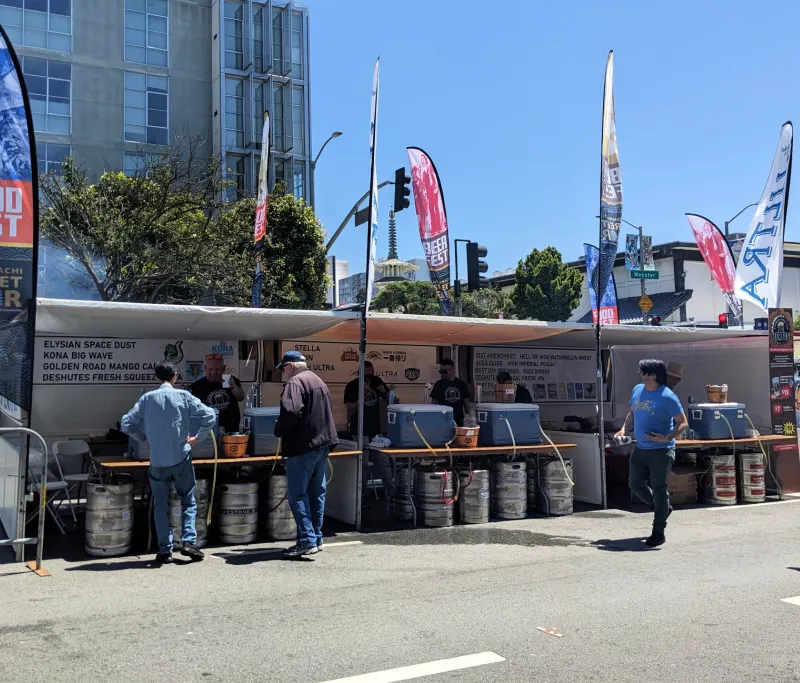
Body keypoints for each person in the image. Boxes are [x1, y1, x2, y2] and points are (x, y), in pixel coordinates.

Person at [121, 362, 216, 564]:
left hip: (157, 461)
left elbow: (126, 423)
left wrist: (143, 438)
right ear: (175, 376)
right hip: (181, 457)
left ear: (158, 377)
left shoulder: (147, 398)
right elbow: (210, 415)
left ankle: (165, 550)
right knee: (188, 500)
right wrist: (198, 436)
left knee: (160, 505)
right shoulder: (184, 396)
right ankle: (189, 542)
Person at [614, 359, 687, 548]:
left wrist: (666, 438)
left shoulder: (667, 396)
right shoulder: (637, 390)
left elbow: (683, 422)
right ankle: (661, 509)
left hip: (661, 451)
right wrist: (624, 429)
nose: (639, 374)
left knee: (659, 489)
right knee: (635, 484)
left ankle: (658, 532)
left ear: (653, 375)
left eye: (642, 371)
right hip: (640, 449)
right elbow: (632, 413)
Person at [274, 350, 339, 558]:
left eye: (283, 369)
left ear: (291, 366)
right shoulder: (318, 380)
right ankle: (316, 538)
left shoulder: (295, 382)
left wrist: (279, 428)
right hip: (322, 445)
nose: (283, 373)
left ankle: (306, 540)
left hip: (302, 446)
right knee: (316, 493)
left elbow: (291, 411)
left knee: (297, 494)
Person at [343, 361, 395, 501]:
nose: (369, 379)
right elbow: (349, 409)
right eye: (366, 376)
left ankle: (391, 494)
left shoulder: (377, 381)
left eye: (371, 375)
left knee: (384, 461)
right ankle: (362, 495)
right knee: (363, 463)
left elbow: (391, 403)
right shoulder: (352, 386)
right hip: (360, 430)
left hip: (375, 429)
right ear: (359, 374)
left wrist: (385, 393)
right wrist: (363, 397)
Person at [190, 354, 246, 434]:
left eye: (217, 369)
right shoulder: (197, 386)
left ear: (223, 369)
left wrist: (233, 387)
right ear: (205, 368)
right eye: (210, 369)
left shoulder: (231, 380)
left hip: (231, 429)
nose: (213, 372)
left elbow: (241, 397)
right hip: (209, 430)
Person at [430, 359, 471, 426]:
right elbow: (433, 404)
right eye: (441, 372)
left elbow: (466, 404)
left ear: (452, 370)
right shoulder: (439, 384)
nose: (443, 374)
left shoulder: (461, 384)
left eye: (445, 372)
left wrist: (469, 419)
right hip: (443, 421)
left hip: (458, 421)